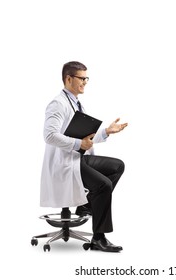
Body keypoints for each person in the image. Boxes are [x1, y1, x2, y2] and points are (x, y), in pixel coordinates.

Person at [40, 61, 128, 252]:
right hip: (63, 163)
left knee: (117, 166)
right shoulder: (58, 104)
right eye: (82, 78)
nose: (85, 82)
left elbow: (82, 135)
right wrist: (79, 144)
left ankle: (86, 204)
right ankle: (99, 238)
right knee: (103, 185)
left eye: (86, 78)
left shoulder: (76, 103)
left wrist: (107, 131)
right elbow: (49, 135)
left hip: (76, 158)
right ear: (68, 78)